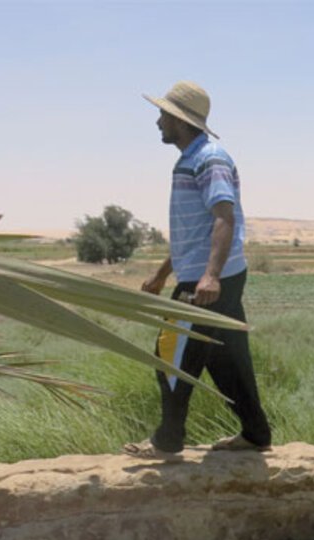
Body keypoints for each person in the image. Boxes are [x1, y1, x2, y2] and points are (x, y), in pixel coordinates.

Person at [123, 80, 272, 461]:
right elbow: (194, 232)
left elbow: (224, 217)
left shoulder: (210, 158)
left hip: (208, 281)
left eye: (162, 115)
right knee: (227, 359)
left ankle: (167, 441)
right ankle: (256, 434)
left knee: (169, 356)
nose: (157, 122)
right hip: (210, 275)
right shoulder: (190, 158)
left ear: (178, 119)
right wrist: (161, 274)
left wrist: (210, 276)